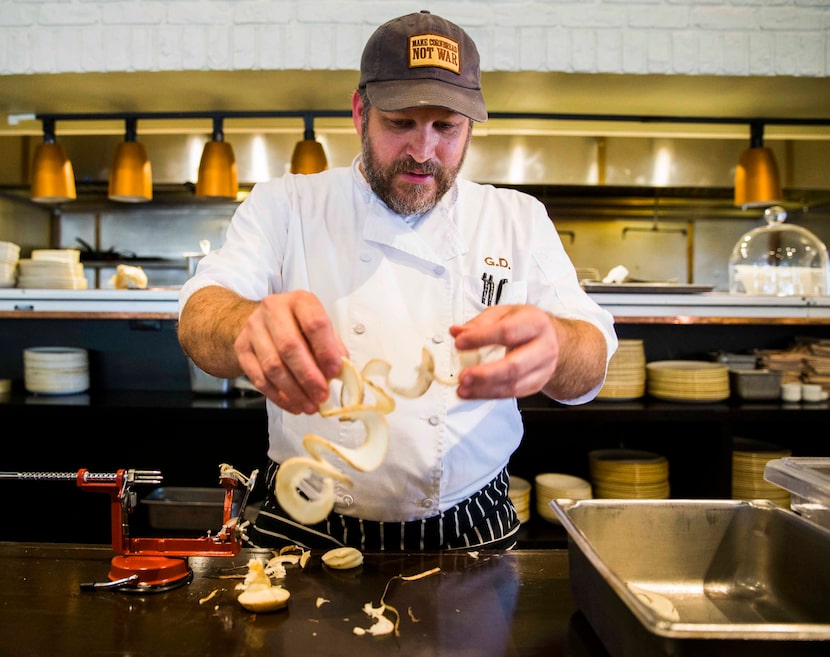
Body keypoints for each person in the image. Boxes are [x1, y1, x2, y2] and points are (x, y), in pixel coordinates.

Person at [177, 10, 618, 552]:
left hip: (472, 522)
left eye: (446, 128)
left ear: (471, 126)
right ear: (360, 112)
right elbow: (202, 313)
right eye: (401, 123)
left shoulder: (516, 219)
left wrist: (559, 346)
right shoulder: (288, 205)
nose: (423, 151)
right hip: (306, 521)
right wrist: (245, 325)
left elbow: (590, 361)